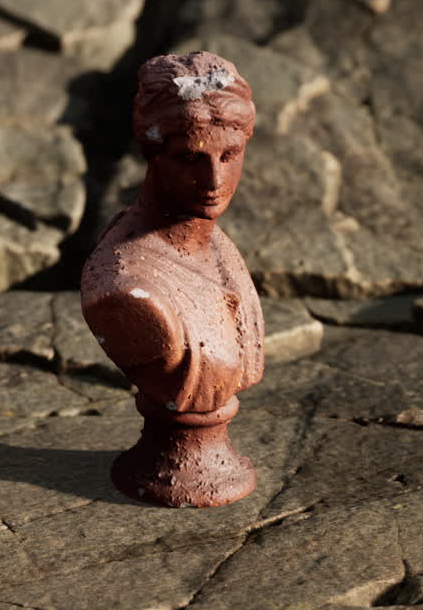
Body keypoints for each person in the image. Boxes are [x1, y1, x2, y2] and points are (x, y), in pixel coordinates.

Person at [81, 50, 263, 507]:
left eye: (230, 154)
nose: (213, 179)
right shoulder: (125, 286)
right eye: (189, 158)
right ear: (152, 154)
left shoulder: (219, 246)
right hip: (170, 466)